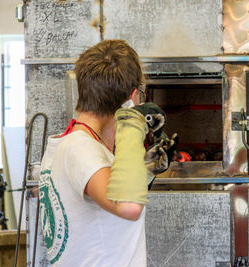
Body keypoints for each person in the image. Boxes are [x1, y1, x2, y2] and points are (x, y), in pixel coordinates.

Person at [39, 39, 171, 266]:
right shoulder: (81, 149)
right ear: (131, 98)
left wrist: (144, 172)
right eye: (140, 94)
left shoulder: (68, 145)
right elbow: (128, 207)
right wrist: (132, 123)